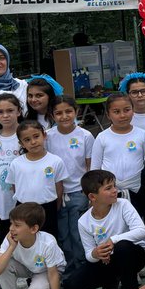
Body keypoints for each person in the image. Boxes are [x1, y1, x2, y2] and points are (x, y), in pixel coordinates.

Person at [63, 169, 145, 289]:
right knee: (71, 285)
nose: (115, 190)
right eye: (108, 188)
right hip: (108, 261)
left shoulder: (123, 205)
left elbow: (141, 232)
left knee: (122, 247)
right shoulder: (83, 221)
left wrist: (114, 240)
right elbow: (89, 254)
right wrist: (96, 253)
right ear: (92, 196)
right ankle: (111, 281)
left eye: (114, 186)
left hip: (134, 255)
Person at [0, 202, 67, 289]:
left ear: (34, 229)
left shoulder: (48, 243)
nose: (11, 229)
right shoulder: (10, 238)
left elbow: (53, 275)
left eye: (17, 225)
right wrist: (11, 248)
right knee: (4, 262)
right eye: (11, 223)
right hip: (29, 267)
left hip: (49, 270)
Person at [46, 94, 94, 268]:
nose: (64, 116)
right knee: (62, 233)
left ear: (76, 112)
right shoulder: (47, 137)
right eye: (58, 113)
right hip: (55, 193)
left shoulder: (86, 135)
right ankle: (66, 267)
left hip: (78, 192)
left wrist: (89, 192)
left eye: (68, 111)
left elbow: (90, 166)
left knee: (77, 232)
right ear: (52, 116)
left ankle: (83, 266)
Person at [90, 94, 145, 229]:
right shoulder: (102, 137)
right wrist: (94, 192)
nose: (122, 115)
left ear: (133, 110)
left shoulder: (142, 134)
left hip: (136, 189)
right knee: (114, 225)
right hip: (109, 192)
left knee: (136, 224)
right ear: (108, 114)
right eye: (116, 112)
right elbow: (95, 168)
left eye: (127, 110)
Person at [6, 120, 65, 237]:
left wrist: (54, 207)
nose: (33, 142)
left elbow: (59, 188)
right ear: (21, 143)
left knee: (48, 239)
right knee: (24, 240)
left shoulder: (55, 161)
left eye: (36, 136)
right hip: (23, 209)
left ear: (44, 135)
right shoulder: (16, 163)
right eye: (27, 140)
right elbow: (14, 187)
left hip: (48, 208)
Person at [0, 93, 24, 242]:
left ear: (19, 112)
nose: (5, 115)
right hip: (0, 195)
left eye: (10, 111)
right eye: (0, 112)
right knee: (5, 235)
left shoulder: (26, 134)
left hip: (22, 192)